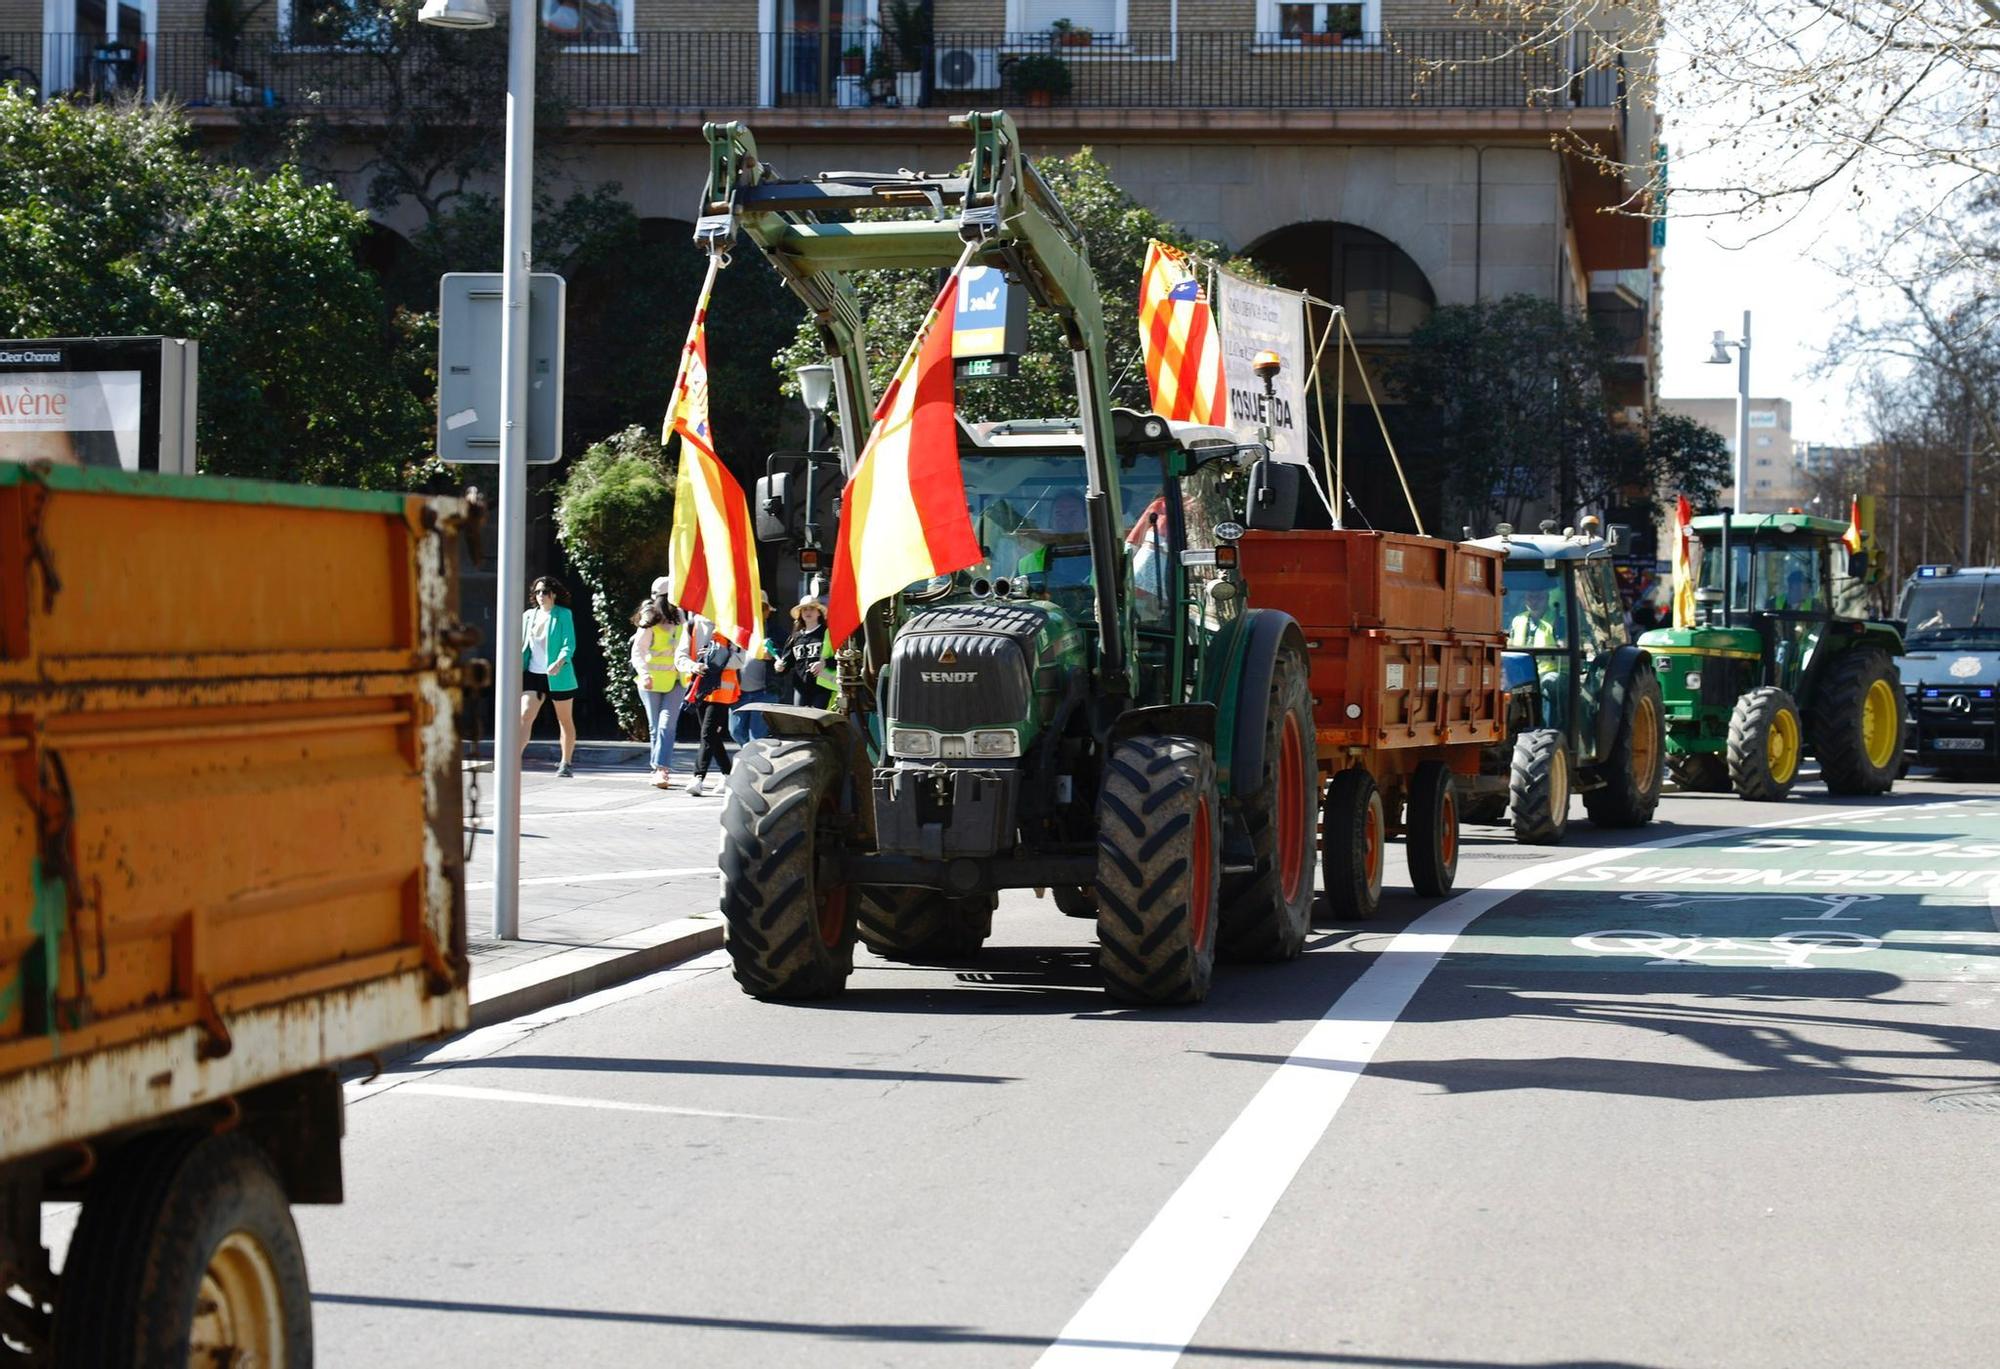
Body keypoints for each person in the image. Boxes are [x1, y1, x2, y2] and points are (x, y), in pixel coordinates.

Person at [676, 612, 743, 797]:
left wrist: (716, 660)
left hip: (722, 688)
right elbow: (680, 657)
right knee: (710, 735)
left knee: (707, 732)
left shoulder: (732, 624)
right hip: (699, 687)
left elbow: (740, 658)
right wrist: (693, 665)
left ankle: (698, 777)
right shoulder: (692, 625)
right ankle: (727, 773)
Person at [521, 575, 580, 777]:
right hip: (534, 673)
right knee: (525, 715)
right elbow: (522, 645)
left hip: (558, 675)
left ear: (553, 594)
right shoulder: (529, 615)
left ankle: (566, 763)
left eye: (545, 591)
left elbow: (568, 643)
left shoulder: (563, 614)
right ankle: (512, 760)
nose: (540, 596)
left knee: (564, 719)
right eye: (537, 592)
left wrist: (560, 661)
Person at [629, 578, 684, 789]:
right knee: (655, 727)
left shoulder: (681, 617)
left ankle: (662, 769)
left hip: (677, 679)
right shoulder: (650, 617)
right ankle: (657, 769)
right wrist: (644, 674)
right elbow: (638, 651)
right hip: (651, 681)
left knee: (666, 725)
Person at [729, 591, 785, 748]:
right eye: (751, 608)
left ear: (767, 612)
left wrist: (775, 657)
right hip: (738, 692)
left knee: (757, 735)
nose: (756, 612)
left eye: (761, 608)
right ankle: (751, 756)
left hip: (765, 692)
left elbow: (787, 655)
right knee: (736, 731)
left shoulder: (776, 632)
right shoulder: (736, 632)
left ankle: (753, 764)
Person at [775, 597, 832, 709]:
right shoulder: (795, 637)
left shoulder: (828, 634)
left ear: (819, 612)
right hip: (800, 688)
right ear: (800, 614)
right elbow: (786, 663)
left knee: (819, 722)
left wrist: (824, 663)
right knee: (800, 722)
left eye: (812, 609)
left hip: (823, 686)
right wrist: (779, 667)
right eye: (804, 609)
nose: (808, 612)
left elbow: (839, 659)